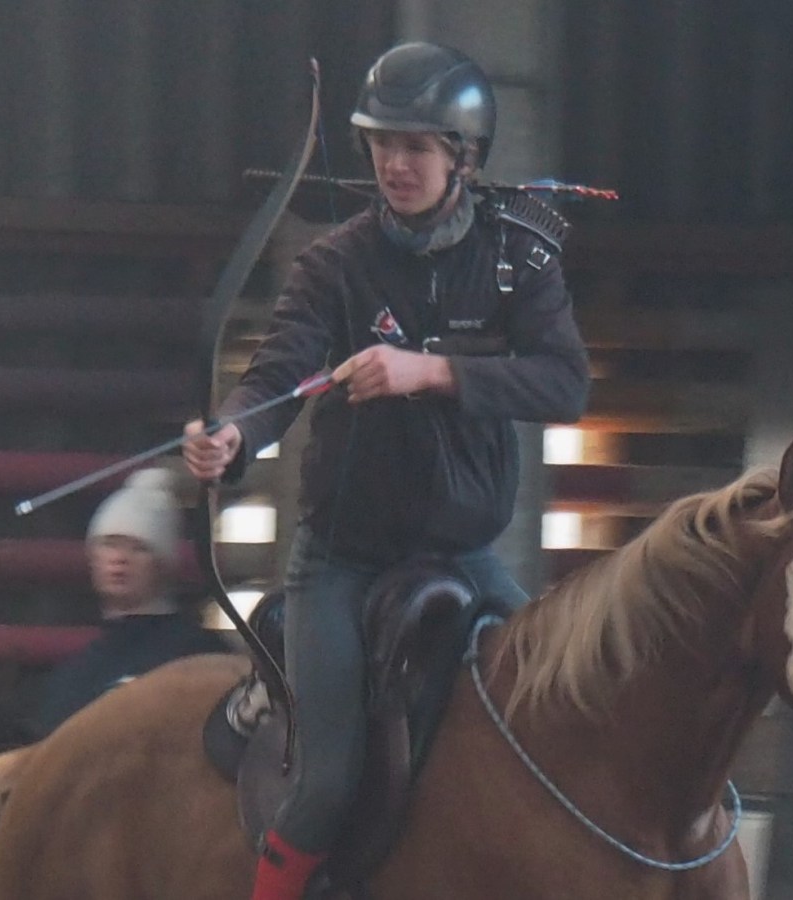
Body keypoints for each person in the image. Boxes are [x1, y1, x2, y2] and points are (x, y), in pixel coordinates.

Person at [183, 41, 589, 900]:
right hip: (345, 562)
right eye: (380, 145)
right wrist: (233, 437)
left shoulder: (519, 256)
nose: (394, 165)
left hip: (468, 558)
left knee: (561, 718)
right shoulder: (334, 263)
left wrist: (433, 372)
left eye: (416, 147)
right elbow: (276, 379)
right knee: (327, 781)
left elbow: (565, 385)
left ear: (463, 157)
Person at [36, 467, 230, 735]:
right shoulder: (74, 674)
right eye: (109, 544)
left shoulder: (200, 656)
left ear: (163, 563)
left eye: (139, 548)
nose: (120, 559)